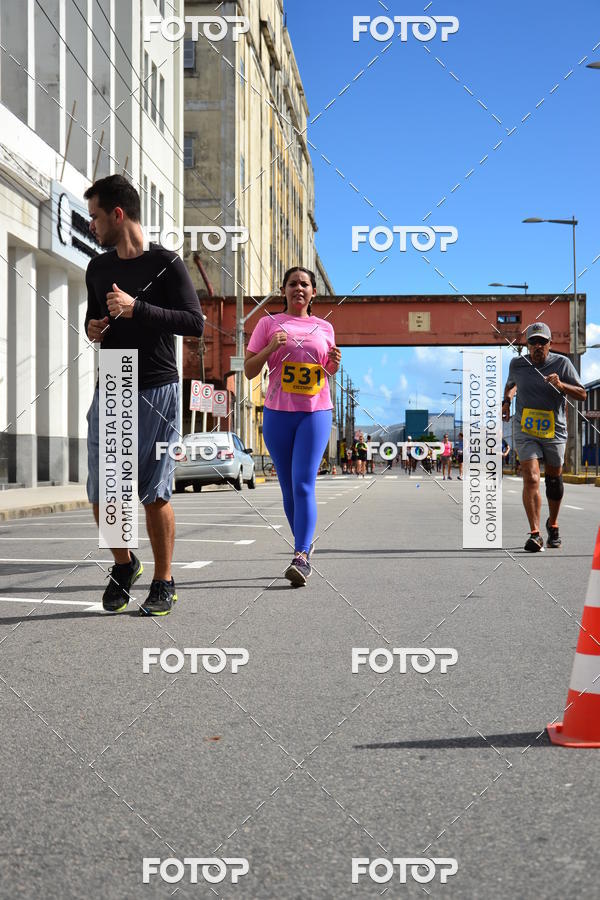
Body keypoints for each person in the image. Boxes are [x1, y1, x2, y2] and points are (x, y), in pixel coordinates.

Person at [84, 175, 204, 615]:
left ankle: (163, 579)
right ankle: (125, 563)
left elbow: (194, 323)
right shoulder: (97, 268)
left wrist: (139, 308)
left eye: (96, 216)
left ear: (118, 214)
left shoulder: (166, 263)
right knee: (103, 491)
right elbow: (92, 320)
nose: (91, 225)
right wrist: (93, 328)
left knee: (155, 492)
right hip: (113, 380)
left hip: (157, 384)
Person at [244, 266, 341, 586]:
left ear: (314, 293)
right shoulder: (267, 323)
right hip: (277, 414)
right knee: (287, 488)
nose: (299, 288)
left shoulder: (325, 328)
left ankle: (301, 555)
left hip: (315, 413)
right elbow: (248, 370)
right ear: (283, 290)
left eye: (305, 284)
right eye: (292, 284)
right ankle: (303, 544)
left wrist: (332, 367)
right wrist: (272, 347)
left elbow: (324, 371)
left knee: (303, 484)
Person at [502, 322, 586, 552]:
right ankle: (535, 533)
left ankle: (554, 524)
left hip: (554, 430)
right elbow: (511, 385)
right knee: (530, 477)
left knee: (553, 482)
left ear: (550, 344)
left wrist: (561, 385)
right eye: (533, 342)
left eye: (542, 342)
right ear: (527, 345)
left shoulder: (563, 363)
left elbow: (582, 394)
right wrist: (507, 402)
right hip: (526, 428)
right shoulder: (517, 364)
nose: (537, 346)